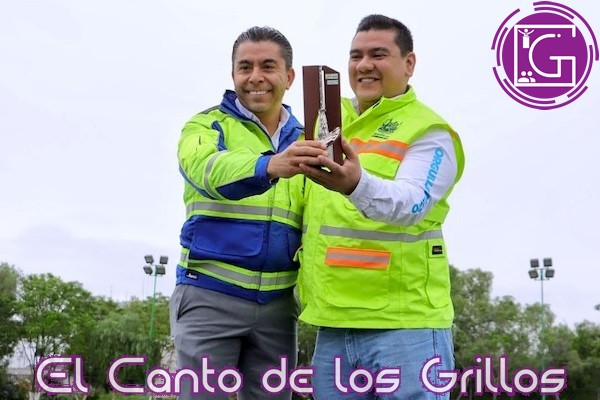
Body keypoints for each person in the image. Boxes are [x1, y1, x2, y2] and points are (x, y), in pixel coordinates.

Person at [295, 14, 465, 399]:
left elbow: (412, 203)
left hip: (406, 328)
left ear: (409, 63)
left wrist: (356, 184)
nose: (364, 65)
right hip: (333, 325)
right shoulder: (327, 121)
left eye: (378, 54)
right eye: (355, 56)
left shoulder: (429, 131)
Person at [170, 26, 326, 400]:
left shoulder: (311, 137)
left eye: (267, 66)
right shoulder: (205, 125)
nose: (255, 77)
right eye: (245, 67)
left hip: (278, 307)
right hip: (208, 297)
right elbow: (206, 168)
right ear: (233, 74)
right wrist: (269, 165)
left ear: (289, 76)